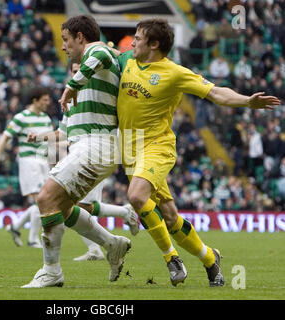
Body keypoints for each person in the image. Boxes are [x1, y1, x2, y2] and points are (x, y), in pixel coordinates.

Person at [116, 18, 281, 287]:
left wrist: (247, 101)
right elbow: (101, 52)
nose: (132, 42)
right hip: (130, 151)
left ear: (154, 44)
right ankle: (210, 259)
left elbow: (216, 93)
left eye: (138, 37)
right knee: (169, 218)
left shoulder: (175, 72)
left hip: (158, 147)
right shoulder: (127, 62)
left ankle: (172, 259)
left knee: (136, 196)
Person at [22, 15, 131, 288]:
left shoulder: (97, 50)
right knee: (65, 207)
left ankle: (52, 271)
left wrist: (71, 87)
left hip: (98, 145)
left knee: (46, 197)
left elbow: (104, 54)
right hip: (86, 146)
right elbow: (66, 133)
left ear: (80, 37)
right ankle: (112, 243)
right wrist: (41, 139)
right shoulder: (83, 83)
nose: (63, 47)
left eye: (66, 40)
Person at [27, 63, 139, 262]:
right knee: (73, 205)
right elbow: (62, 133)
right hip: (79, 155)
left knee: (75, 205)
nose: (77, 74)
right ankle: (106, 241)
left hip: (97, 154)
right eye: (74, 71)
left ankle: (118, 223)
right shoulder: (70, 101)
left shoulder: (102, 93)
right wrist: (38, 138)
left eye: (81, 70)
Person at [0, 86, 54, 249]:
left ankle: (15, 227)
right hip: (29, 161)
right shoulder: (21, 117)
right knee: (41, 201)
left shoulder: (46, 118)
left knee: (44, 201)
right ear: (35, 101)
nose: (48, 103)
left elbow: (51, 142)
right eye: (45, 100)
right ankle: (32, 239)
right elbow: (5, 138)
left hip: (43, 161)